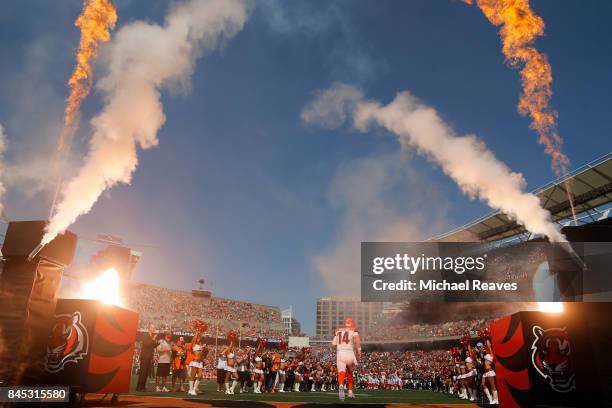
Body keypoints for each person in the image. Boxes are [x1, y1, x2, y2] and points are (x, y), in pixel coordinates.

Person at [332, 317, 361, 401]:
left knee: (341, 372)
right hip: (349, 352)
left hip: (340, 352)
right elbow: (357, 340)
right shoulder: (354, 330)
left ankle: (341, 385)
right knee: (350, 372)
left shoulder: (338, 330)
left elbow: (333, 344)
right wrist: (359, 350)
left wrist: (339, 348)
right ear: (352, 323)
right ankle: (350, 392)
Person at [136, 324, 158, 392]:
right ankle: (140, 387)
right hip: (145, 356)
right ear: (149, 328)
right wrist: (153, 339)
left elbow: (152, 346)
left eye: (154, 327)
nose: (153, 329)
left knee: (146, 373)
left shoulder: (151, 336)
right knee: (143, 372)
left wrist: (158, 343)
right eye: (152, 327)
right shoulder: (145, 335)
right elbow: (147, 344)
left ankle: (142, 387)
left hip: (149, 357)